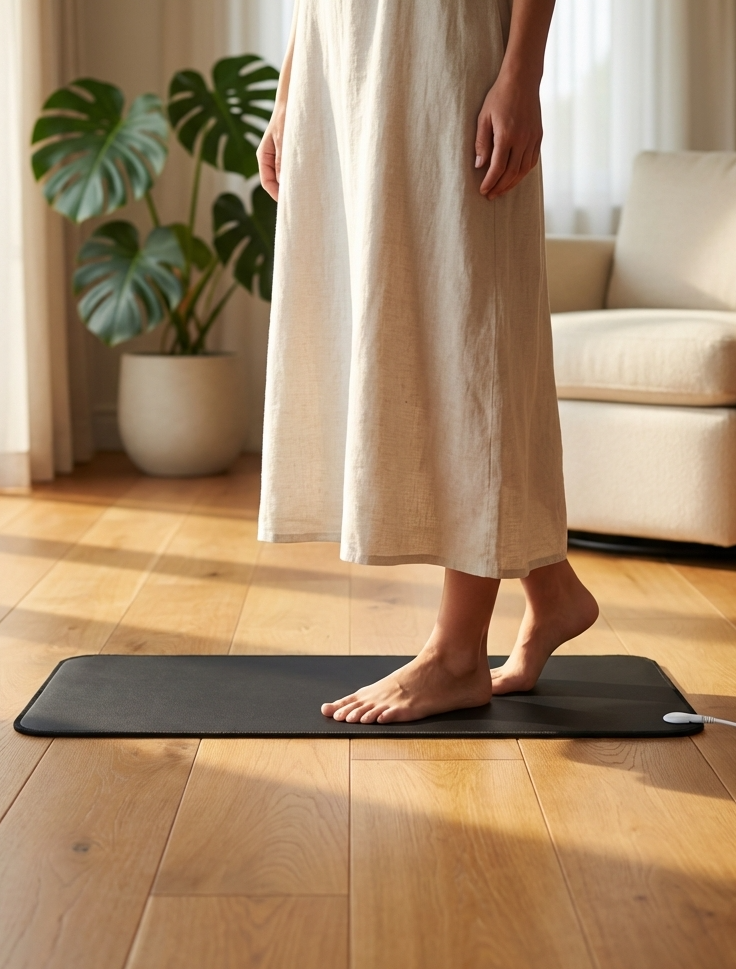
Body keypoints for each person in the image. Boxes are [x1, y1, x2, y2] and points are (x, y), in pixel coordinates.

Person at [256, 0, 598, 725]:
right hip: (339, 61)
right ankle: (551, 592)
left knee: (467, 331)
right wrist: (291, 91)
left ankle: (457, 655)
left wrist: (521, 75)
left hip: (447, 49)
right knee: (389, 317)